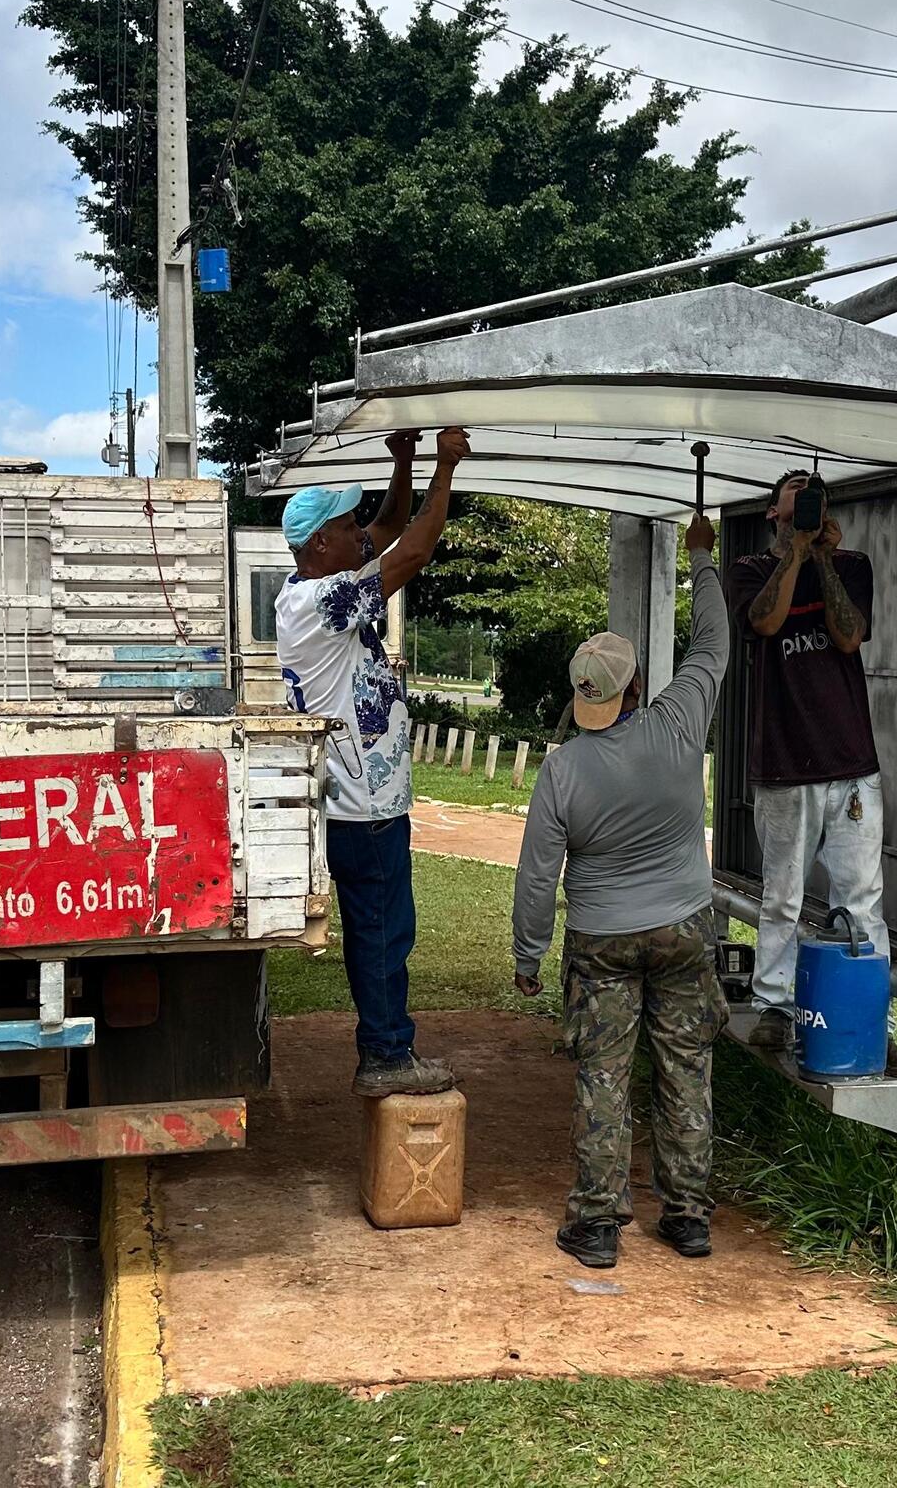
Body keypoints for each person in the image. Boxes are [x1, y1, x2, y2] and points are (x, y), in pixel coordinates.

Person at [511, 512, 729, 1270]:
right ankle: (689, 1216)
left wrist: (528, 955)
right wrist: (701, 558)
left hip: (600, 940)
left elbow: (539, 871)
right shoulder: (678, 722)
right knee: (685, 1066)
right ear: (636, 685)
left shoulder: (564, 769)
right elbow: (712, 644)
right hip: (684, 929)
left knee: (604, 1073)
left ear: (585, 695)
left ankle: (598, 1224)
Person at [278, 425, 470, 1097]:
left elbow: (388, 526)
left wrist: (407, 462)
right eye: (347, 524)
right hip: (363, 810)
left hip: (360, 803)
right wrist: (445, 470)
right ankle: (387, 1054)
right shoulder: (319, 602)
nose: (362, 532)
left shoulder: (318, 586)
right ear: (319, 545)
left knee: (381, 929)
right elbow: (412, 548)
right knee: (384, 933)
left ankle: (386, 1046)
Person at [723, 470, 897, 1079]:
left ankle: (869, 1022)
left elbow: (849, 633)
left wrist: (825, 560)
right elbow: (764, 622)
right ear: (773, 514)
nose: (804, 516)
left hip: (850, 763)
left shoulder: (853, 566)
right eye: (795, 508)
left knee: (862, 898)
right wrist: (796, 555)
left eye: (813, 506)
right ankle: (773, 1008)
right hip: (784, 762)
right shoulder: (752, 569)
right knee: (782, 893)